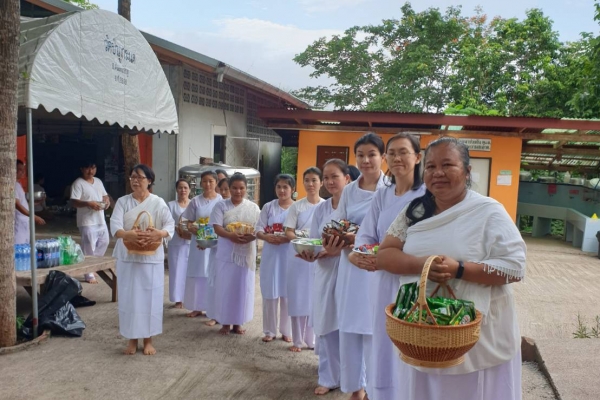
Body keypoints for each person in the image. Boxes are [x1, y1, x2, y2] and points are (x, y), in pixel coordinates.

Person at [377, 137, 526, 400]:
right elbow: (385, 254)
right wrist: (422, 264)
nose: (438, 173)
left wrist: (459, 269)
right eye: (431, 166)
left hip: (475, 335)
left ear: (467, 171)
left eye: (448, 165)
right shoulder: (415, 211)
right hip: (422, 332)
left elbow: (514, 268)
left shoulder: (489, 212)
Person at [348, 133, 425, 400]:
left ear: (417, 157)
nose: (397, 158)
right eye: (391, 153)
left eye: (403, 152)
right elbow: (366, 236)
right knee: (382, 340)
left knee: (409, 339)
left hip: (411, 279)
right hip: (379, 279)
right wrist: (357, 254)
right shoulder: (382, 196)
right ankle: (380, 392)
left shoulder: (427, 195)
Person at [297, 159, 351, 395]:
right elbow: (313, 240)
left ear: (347, 178)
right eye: (326, 177)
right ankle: (329, 377)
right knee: (327, 324)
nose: (329, 182)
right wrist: (311, 254)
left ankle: (354, 379)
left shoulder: (356, 205)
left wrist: (340, 250)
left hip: (351, 271)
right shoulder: (321, 208)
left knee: (349, 325)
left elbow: (366, 239)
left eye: (334, 176)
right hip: (325, 271)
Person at [110, 164, 175, 355]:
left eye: (139, 177)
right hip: (128, 256)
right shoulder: (123, 202)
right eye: (132, 177)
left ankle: (148, 340)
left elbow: (169, 225)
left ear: (149, 181)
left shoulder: (158, 202)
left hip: (151, 258)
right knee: (130, 299)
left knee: (150, 298)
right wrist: (127, 235)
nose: (135, 181)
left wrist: (159, 234)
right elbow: (115, 227)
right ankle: (132, 340)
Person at [210, 173, 260, 335]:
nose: (238, 191)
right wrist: (230, 235)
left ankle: (238, 323)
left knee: (242, 288)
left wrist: (250, 237)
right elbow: (217, 227)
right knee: (225, 288)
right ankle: (225, 323)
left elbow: (259, 228)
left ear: (246, 189)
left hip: (245, 254)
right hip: (226, 252)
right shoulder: (220, 206)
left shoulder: (253, 208)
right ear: (229, 188)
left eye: (241, 188)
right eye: (234, 188)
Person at [283, 167, 325, 352]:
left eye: (314, 180)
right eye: (307, 180)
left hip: (319, 257)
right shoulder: (297, 206)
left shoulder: (326, 206)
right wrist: (302, 242)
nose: (310, 184)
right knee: (298, 297)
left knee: (314, 298)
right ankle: (297, 340)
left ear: (321, 182)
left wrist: (315, 245)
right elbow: (289, 231)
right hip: (298, 256)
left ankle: (312, 339)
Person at [255, 174, 295, 343]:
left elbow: (301, 232)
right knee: (270, 294)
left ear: (292, 189)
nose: (282, 190)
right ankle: (269, 331)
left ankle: (287, 331)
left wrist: (288, 238)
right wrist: (266, 237)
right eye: (279, 187)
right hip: (271, 255)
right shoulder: (268, 207)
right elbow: (258, 228)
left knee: (287, 294)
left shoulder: (297, 208)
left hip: (289, 255)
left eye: (286, 187)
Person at [183, 171, 223, 318]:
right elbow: (188, 221)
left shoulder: (221, 201)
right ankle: (196, 306)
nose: (208, 184)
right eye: (205, 181)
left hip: (215, 241)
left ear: (216, 182)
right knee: (197, 272)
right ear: (200, 184)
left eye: (211, 181)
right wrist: (192, 228)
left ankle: (211, 308)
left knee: (211, 273)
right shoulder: (195, 201)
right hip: (198, 241)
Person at [70, 160, 111, 284]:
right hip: (87, 221)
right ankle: (88, 274)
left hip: (100, 219)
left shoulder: (98, 181)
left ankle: (92, 266)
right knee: (89, 246)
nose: (91, 171)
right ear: (82, 169)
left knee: (104, 242)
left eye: (93, 168)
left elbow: (104, 195)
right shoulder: (78, 183)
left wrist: (107, 201)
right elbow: (74, 202)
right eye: (88, 168)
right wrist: (88, 203)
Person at [205, 178, 231, 327]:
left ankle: (230, 317)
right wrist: (205, 243)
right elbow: (210, 229)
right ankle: (215, 315)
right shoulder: (218, 206)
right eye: (223, 189)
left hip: (234, 251)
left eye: (228, 189)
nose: (226, 192)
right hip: (217, 250)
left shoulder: (239, 206)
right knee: (215, 283)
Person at [167, 179, 191, 309]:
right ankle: (178, 299)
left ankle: (189, 297)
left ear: (189, 190)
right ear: (176, 190)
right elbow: (168, 222)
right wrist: (177, 229)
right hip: (176, 242)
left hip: (191, 242)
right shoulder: (171, 205)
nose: (183, 190)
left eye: (185, 188)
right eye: (180, 188)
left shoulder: (193, 204)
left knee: (189, 270)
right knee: (177, 270)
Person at [14, 160, 45, 244]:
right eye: (20, 169)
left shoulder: (18, 184)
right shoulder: (13, 185)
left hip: (24, 222)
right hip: (18, 222)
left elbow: (24, 204)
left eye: (23, 169)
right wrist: (33, 216)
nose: (23, 172)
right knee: (19, 246)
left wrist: (38, 203)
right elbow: (17, 204)